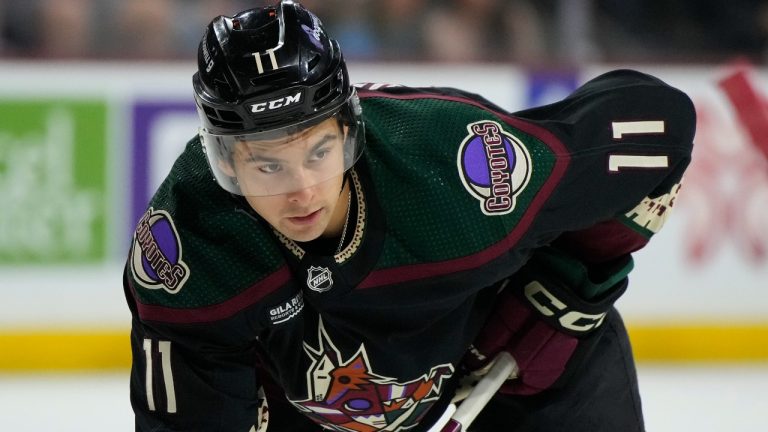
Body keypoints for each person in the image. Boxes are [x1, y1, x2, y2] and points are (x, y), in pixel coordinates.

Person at [122, 1, 696, 431]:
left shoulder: (456, 176)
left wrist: (564, 294)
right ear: (225, 161)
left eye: (319, 151)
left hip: (516, 375)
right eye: (267, 166)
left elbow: (659, 122)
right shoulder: (191, 249)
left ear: (349, 129)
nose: (301, 191)